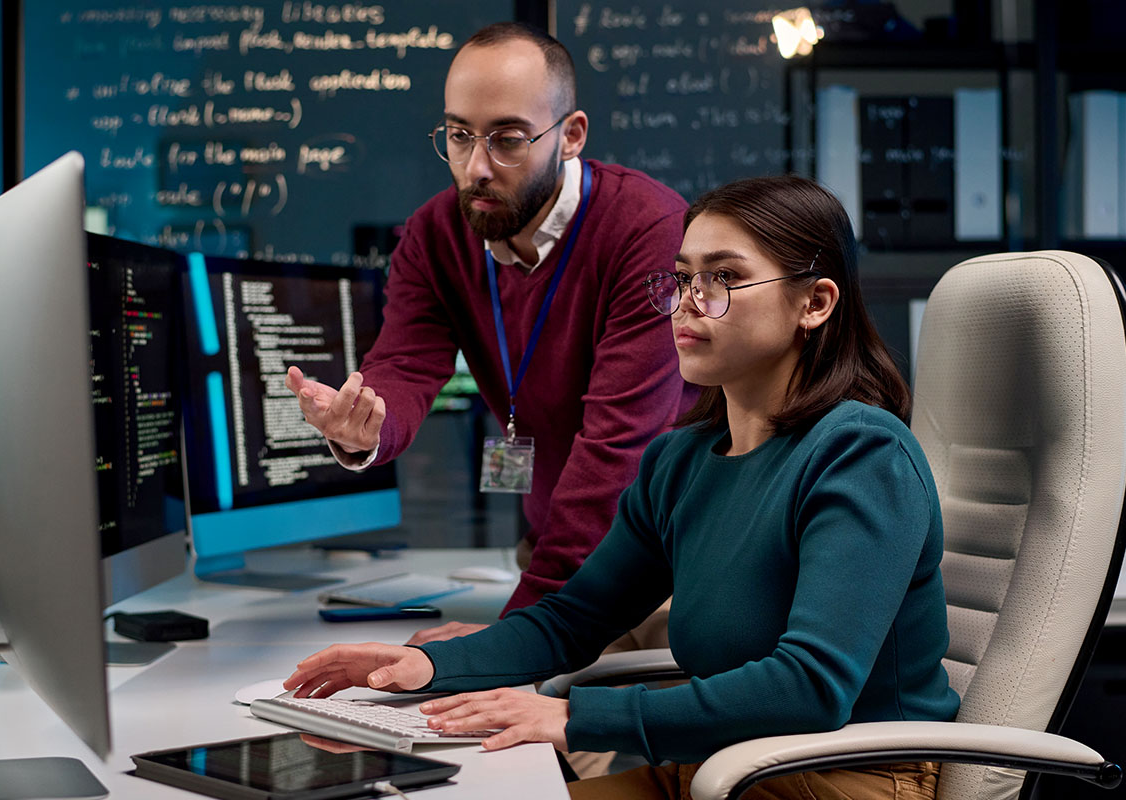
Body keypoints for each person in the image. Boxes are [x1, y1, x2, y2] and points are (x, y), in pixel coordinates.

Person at [282, 175, 962, 800]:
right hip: (718, 765)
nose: (689, 305)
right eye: (681, 279)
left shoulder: (861, 455)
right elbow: (573, 621)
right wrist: (425, 665)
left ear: (813, 303)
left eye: (723, 279)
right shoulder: (680, 460)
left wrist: (575, 717)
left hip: (845, 778)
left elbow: (811, 687)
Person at [284, 22, 689, 644]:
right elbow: (407, 362)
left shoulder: (648, 230)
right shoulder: (435, 234)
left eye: (507, 139)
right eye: (458, 136)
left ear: (571, 136)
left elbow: (619, 452)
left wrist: (508, 640)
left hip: (666, 561)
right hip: (558, 552)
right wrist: (368, 425)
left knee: (557, 724)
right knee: (485, 732)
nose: (476, 168)